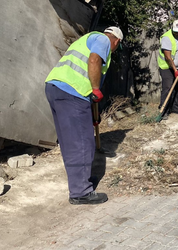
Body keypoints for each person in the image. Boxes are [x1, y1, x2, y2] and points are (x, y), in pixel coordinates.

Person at [44, 26, 123, 205]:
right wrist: (95, 89)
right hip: (72, 93)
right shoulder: (103, 41)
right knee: (81, 143)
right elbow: (94, 61)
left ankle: (81, 181)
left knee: (69, 142)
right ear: (116, 41)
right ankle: (80, 192)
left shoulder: (87, 39)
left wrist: (93, 114)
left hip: (56, 88)